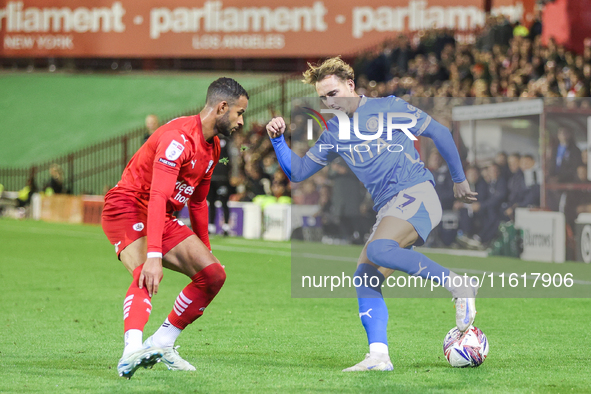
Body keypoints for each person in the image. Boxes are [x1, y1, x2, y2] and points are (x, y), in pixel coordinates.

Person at [266, 57, 478, 372]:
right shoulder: (335, 132)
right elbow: (297, 172)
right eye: (323, 97)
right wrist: (277, 140)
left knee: (379, 249)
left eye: (334, 93)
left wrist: (459, 179)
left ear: (351, 85)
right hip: (389, 208)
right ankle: (379, 356)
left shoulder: (389, 108)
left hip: (417, 193)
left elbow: (441, 133)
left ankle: (457, 284)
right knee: (365, 276)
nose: (330, 101)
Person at [101, 78, 248, 379]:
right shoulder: (178, 139)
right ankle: (131, 351)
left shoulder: (214, 147)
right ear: (222, 107)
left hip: (162, 214)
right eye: (239, 113)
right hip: (127, 206)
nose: (241, 121)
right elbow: (156, 195)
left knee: (213, 275)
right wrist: (154, 255)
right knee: (145, 270)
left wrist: (205, 249)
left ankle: (162, 343)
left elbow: (198, 203)